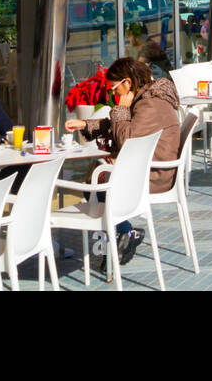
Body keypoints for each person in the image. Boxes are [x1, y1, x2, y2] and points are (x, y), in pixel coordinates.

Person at [64, 56, 180, 269]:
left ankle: (124, 232)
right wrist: (85, 124)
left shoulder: (151, 104)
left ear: (127, 83)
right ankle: (121, 233)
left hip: (154, 176)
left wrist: (121, 109)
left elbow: (126, 139)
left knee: (96, 182)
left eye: (114, 89)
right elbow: (123, 127)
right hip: (150, 170)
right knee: (96, 178)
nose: (113, 94)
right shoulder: (149, 99)